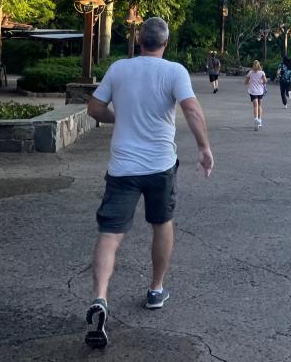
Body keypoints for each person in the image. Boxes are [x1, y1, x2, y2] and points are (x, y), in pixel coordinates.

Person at [83, 17, 214, 349]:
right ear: (165, 43)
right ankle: (156, 289)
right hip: (160, 166)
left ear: (139, 41)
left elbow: (94, 107)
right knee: (162, 224)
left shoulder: (119, 69)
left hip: (122, 167)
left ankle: (100, 298)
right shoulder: (174, 71)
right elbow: (192, 110)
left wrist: (119, 117)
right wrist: (204, 148)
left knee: (110, 235)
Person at [245, 60, 268, 130]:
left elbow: (246, 82)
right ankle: (260, 120)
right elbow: (265, 81)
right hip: (260, 91)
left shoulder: (250, 73)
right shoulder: (262, 73)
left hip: (253, 91)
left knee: (255, 105)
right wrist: (261, 82)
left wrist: (250, 81)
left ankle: (256, 119)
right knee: (259, 105)